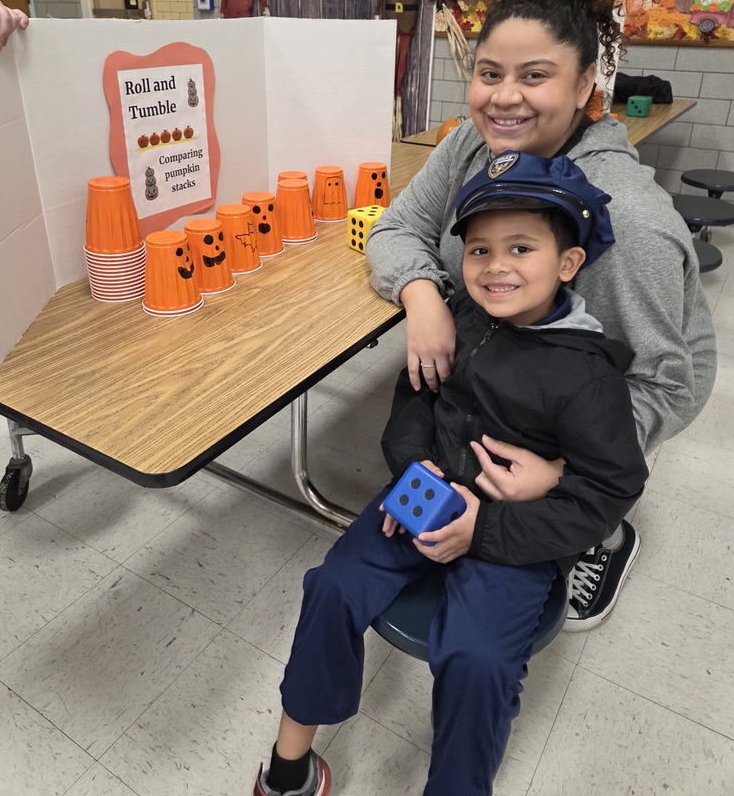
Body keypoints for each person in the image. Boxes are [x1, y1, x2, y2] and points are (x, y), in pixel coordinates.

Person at [252, 150, 649, 796]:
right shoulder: (461, 319)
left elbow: (609, 488)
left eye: (521, 249)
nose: (496, 268)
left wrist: (484, 529)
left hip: (512, 534)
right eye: (480, 251)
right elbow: (416, 398)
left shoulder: (587, 375)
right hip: (424, 495)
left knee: (476, 660)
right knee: (331, 586)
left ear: (569, 263)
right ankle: (289, 765)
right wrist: (417, 471)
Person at [366, 0, 716, 630]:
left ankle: (605, 536)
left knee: (564, 484)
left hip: (619, 383)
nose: (504, 99)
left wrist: (570, 475)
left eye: (535, 77)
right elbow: (395, 228)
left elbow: (662, 381)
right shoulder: (473, 144)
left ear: (587, 82)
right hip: (505, 350)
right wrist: (423, 295)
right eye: (490, 74)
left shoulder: (631, 225)